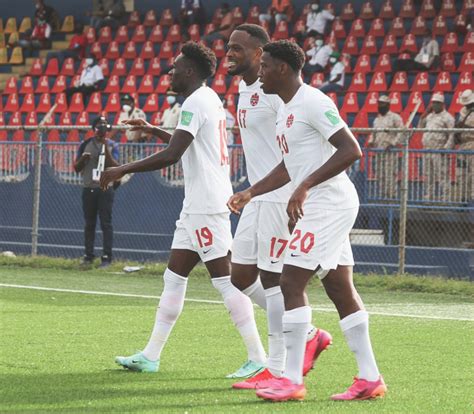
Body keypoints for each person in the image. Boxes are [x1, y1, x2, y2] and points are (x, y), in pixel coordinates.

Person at [228, 40, 386, 402]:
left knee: (290, 281)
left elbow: (351, 149)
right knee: (339, 288)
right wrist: (251, 191)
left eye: (265, 66)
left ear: (282, 68)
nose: (261, 72)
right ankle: (369, 378)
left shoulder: (314, 102)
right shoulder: (285, 109)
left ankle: (291, 380)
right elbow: (289, 165)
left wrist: (305, 186)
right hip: (318, 203)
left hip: (328, 204)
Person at [100, 42, 265, 379]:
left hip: (206, 205)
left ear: (190, 71)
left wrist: (122, 169)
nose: (170, 72)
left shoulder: (195, 101)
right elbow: (187, 143)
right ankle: (150, 355)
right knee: (173, 278)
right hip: (196, 206)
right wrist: (153, 129)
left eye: (175, 67)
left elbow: (173, 154)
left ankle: (265, 350)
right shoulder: (207, 100)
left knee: (228, 281)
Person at [226, 24, 331, 389]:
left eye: (237, 48)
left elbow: (293, 149)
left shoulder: (274, 92)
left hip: (276, 196)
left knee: (273, 279)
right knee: (239, 276)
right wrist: (250, 191)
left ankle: (276, 363)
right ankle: (308, 330)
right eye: (228, 46)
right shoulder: (244, 87)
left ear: (259, 54)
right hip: (257, 195)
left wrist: (286, 188)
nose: (230, 53)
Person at [74, 116, 120, 267]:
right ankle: (89, 255)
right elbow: (76, 168)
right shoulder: (85, 144)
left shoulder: (112, 145)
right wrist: (83, 158)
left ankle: (107, 257)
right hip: (89, 187)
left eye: (105, 126)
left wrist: (104, 147)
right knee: (89, 223)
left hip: (105, 188)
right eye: (100, 126)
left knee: (106, 223)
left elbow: (114, 166)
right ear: (94, 128)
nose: (102, 129)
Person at [367, 95, 405, 199]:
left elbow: (401, 132)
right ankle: (382, 196)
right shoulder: (377, 119)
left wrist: (393, 143)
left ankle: (392, 196)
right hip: (378, 151)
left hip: (390, 151)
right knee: (380, 175)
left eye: (382, 104)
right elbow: (373, 133)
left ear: (388, 105)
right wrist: (371, 141)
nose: (380, 106)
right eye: (379, 104)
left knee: (390, 174)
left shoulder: (395, 117)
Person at [419, 93, 455, 200]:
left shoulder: (448, 117)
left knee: (442, 174)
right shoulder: (430, 116)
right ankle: (429, 194)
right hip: (427, 149)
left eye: (437, 103)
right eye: (433, 103)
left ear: (442, 104)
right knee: (428, 174)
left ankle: (446, 196)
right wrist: (424, 114)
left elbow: (452, 134)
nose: (435, 105)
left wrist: (446, 148)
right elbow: (421, 127)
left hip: (439, 149)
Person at [454, 89, 474, 202]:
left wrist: (466, 126)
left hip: (473, 144)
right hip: (462, 146)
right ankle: (463, 198)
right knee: (461, 173)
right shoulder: (462, 110)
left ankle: (473, 200)